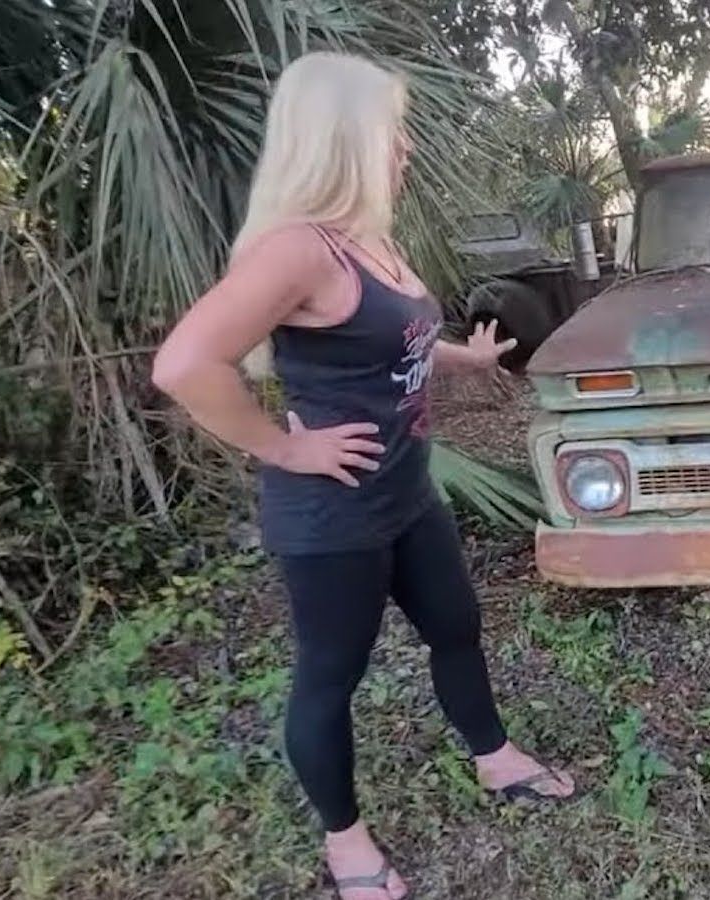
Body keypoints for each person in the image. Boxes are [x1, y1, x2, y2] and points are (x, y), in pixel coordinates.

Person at [151, 52, 573, 900]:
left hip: (408, 492)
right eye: (394, 130)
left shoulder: (369, 239)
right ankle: (346, 845)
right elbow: (184, 364)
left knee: (455, 624)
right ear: (343, 138)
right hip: (332, 514)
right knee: (330, 676)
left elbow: (403, 339)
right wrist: (282, 446)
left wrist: (465, 357)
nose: (407, 147)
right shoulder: (295, 251)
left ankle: (494, 758)